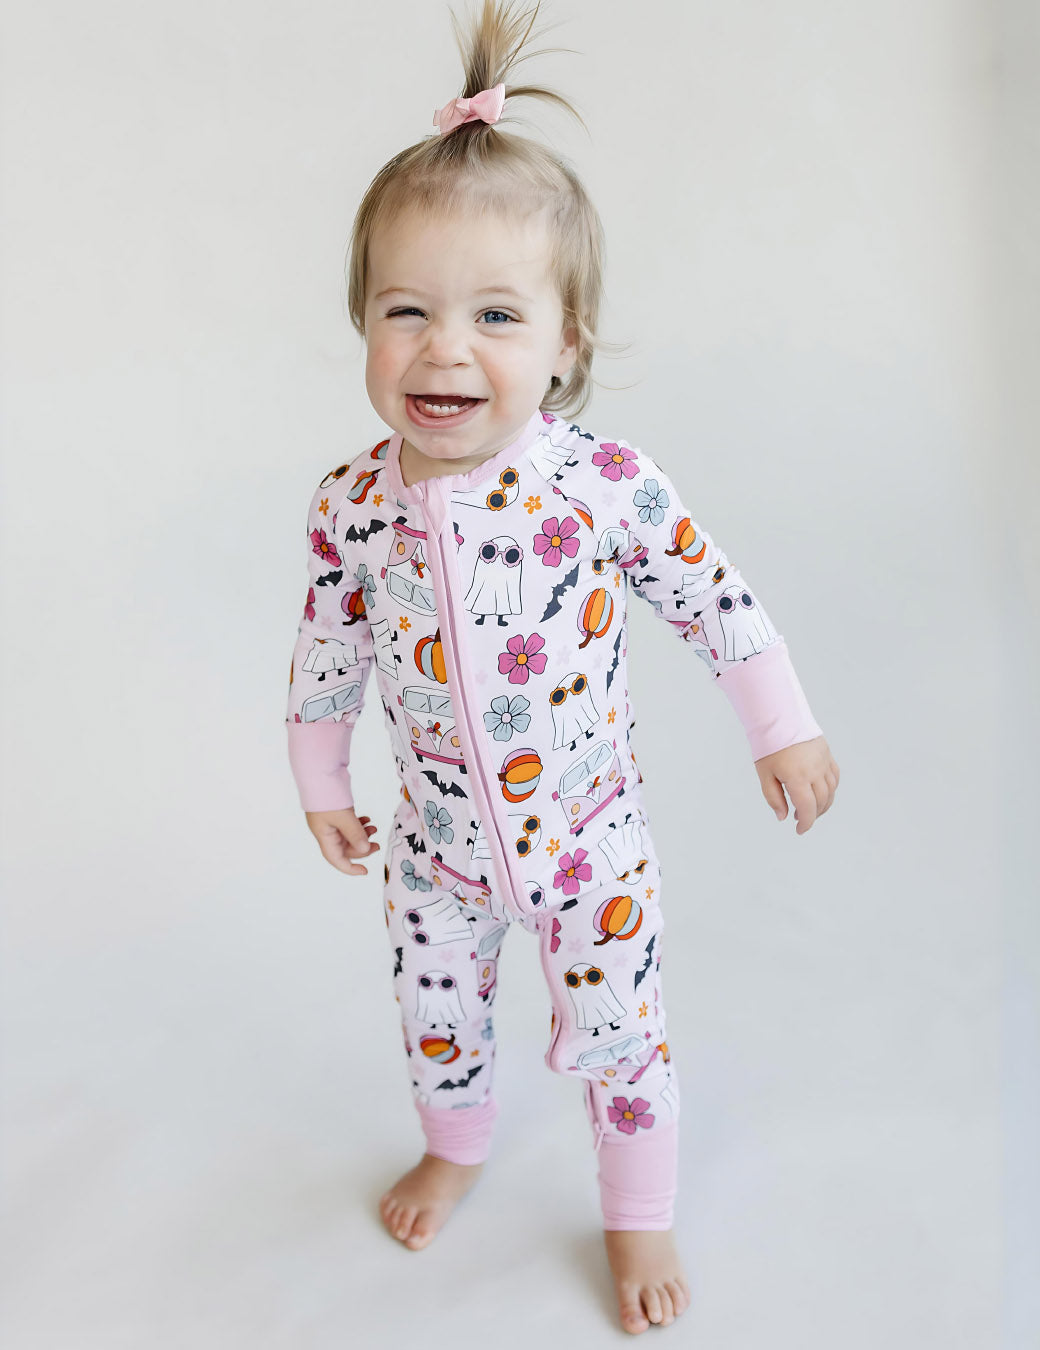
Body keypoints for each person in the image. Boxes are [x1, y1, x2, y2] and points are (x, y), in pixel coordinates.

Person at [285, 0, 840, 1334]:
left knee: (623, 1038)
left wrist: (782, 721)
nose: (444, 347)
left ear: (565, 346)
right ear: (363, 320)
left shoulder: (600, 487)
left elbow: (713, 593)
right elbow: (325, 648)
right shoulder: (353, 500)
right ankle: (458, 1140)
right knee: (433, 1011)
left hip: (589, 847)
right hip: (438, 849)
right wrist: (319, 774)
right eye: (405, 309)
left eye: (494, 313)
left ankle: (636, 1213)